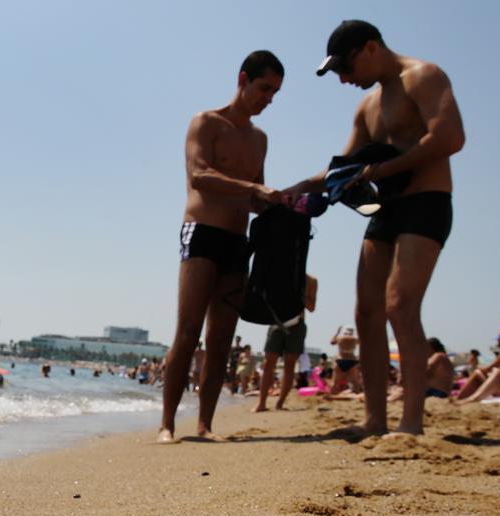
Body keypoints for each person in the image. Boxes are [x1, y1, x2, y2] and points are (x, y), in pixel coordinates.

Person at [284, 20, 465, 436]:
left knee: (400, 306)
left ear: (370, 49)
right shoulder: (366, 106)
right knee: (366, 311)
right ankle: (374, 420)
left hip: (427, 202)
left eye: (345, 68)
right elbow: (342, 169)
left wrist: (383, 169)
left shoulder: (424, 76)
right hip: (387, 209)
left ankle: (412, 423)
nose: (344, 79)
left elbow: (451, 136)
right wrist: (294, 189)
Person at [158, 50, 285, 443]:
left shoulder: (260, 139)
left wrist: (282, 201)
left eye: (275, 93)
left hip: (237, 240)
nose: (268, 99)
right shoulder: (206, 122)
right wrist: (253, 189)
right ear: (243, 79)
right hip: (201, 233)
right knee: (188, 331)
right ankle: (167, 425)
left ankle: (205, 425)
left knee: (221, 339)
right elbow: (199, 175)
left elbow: (255, 198)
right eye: (264, 88)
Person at [253, 274, 318, 412]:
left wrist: (299, 290)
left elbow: (311, 307)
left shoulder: (311, 281)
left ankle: (280, 403)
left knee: (290, 365)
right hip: (276, 323)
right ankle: (261, 403)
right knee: (268, 364)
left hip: (297, 326)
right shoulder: (278, 275)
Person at [331, 325, 362, 392]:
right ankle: (357, 396)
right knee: (355, 382)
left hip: (340, 360)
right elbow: (364, 342)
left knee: (335, 383)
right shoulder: (355, 339)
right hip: (352, 360)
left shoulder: (339, 338)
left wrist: (337, 332)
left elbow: (332, 342)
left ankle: (331, 395)